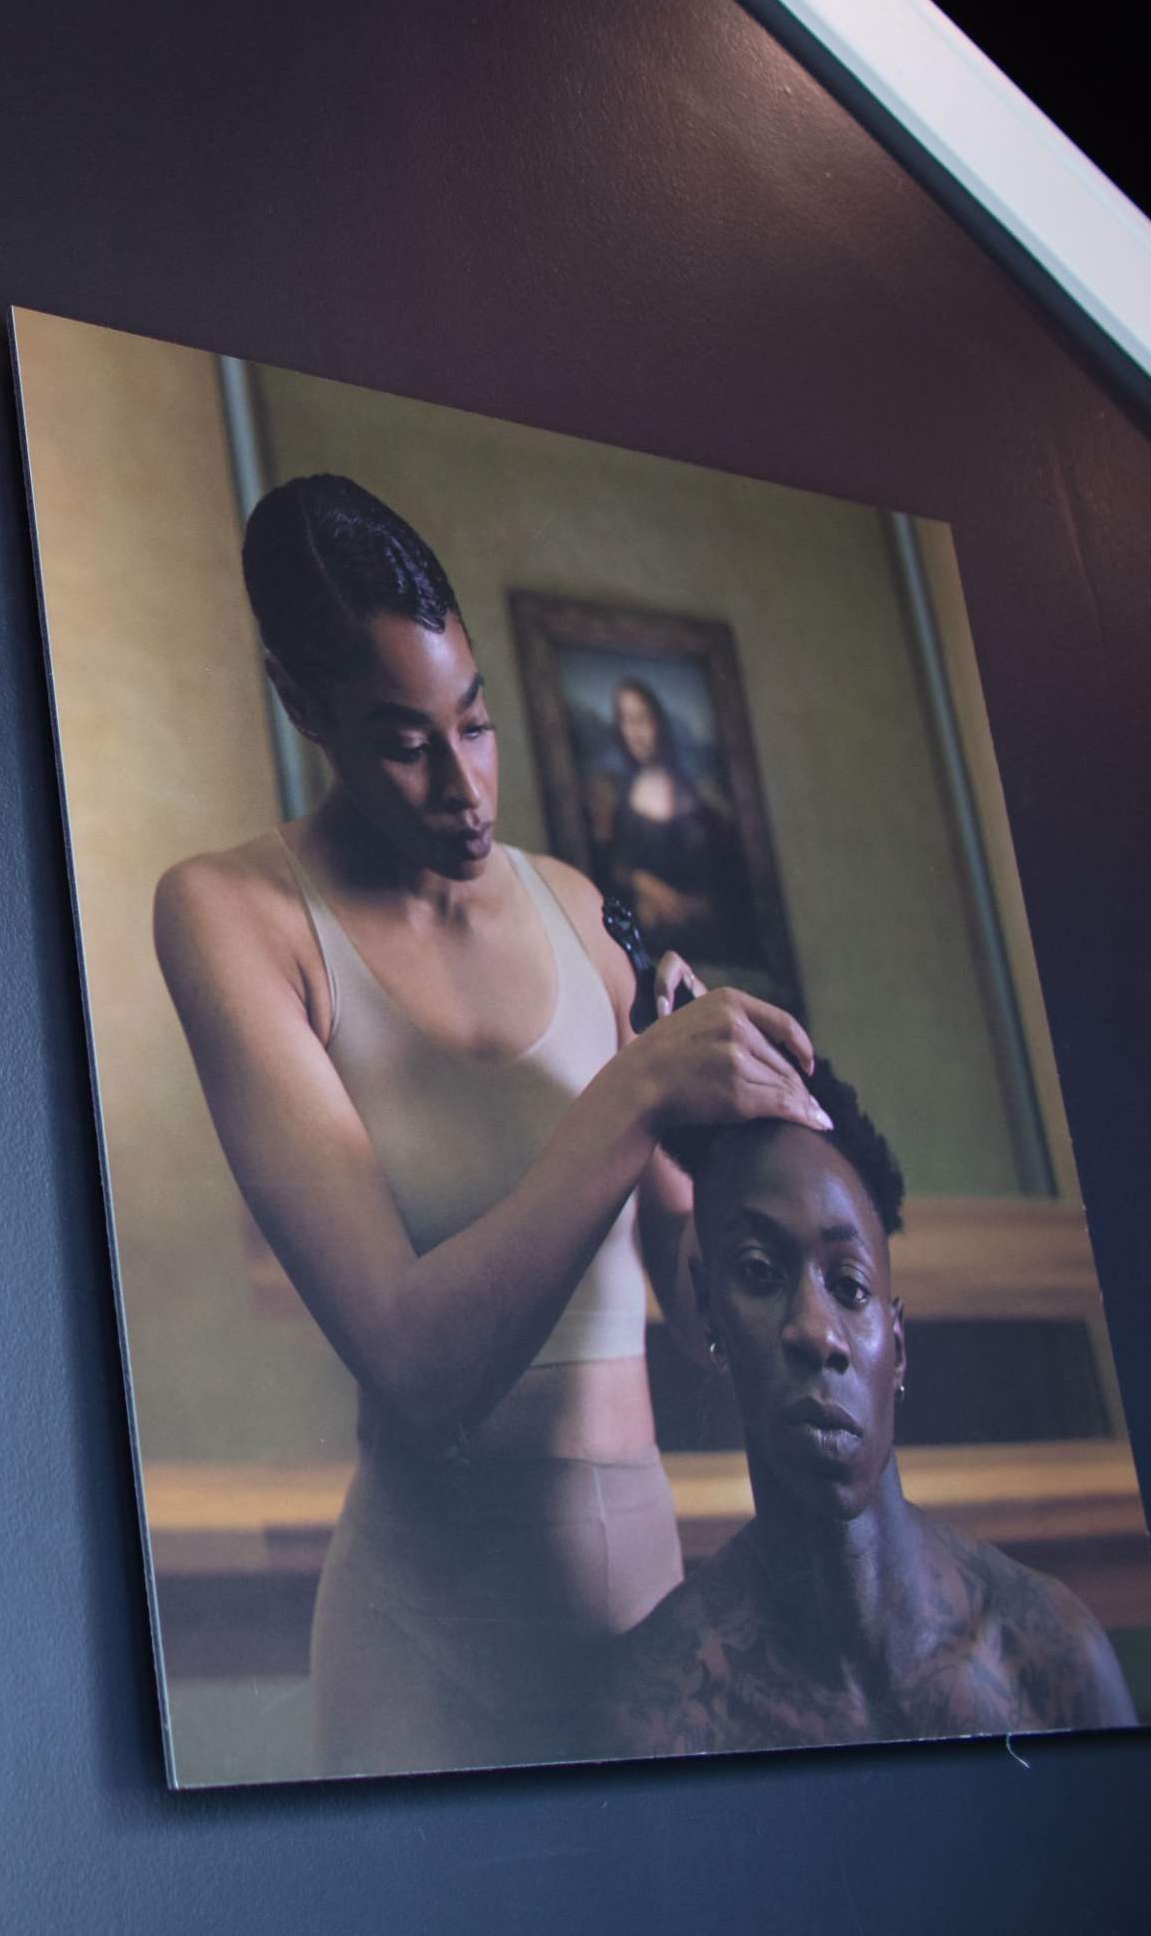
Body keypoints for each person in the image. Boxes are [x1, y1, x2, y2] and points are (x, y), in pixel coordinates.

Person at [153, 472, 831, 1776]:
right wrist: (635, 1091)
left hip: (649, 1611)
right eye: (405, 742)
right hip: (424, 1653)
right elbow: (417, 1374)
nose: (464, 785)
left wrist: (720, 1156)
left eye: (476, 722)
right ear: (303, 708)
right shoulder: (234, 916)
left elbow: (701, 1325)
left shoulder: (580, 909)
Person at [597, 1071, 1136, 1756]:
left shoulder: (1051, 1657)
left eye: (849, 1285)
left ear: (898, 1348)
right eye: (760, 1271)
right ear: (709, 1313)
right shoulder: (658, 1714)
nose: (816, 1331)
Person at [584, 677, 754, 970]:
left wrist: (691, 905)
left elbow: (726, 883)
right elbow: (610, 874)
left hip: (706, 945)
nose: (634, 733)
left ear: (658, 723)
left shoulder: (699, 800)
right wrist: (643, 884)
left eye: (641, 720)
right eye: (626, 722)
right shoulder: (613, 800)